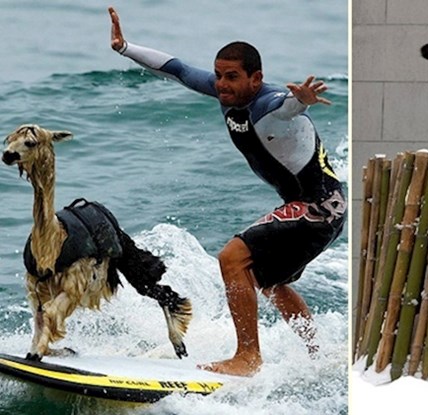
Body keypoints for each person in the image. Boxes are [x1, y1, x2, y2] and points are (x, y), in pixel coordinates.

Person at [108, 7, 346, 376]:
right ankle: (319, 355)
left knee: (232, 258)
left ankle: (247, 358)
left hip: (319, 208)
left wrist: (302, 100)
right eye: (219, 75)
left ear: (256, 78)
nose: (221, 84)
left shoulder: (267, 103)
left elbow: (285, 108)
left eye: (232, 77)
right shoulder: (229, 95)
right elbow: (178, 69)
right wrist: (125, 48)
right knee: (269, 281)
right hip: (313, 206)